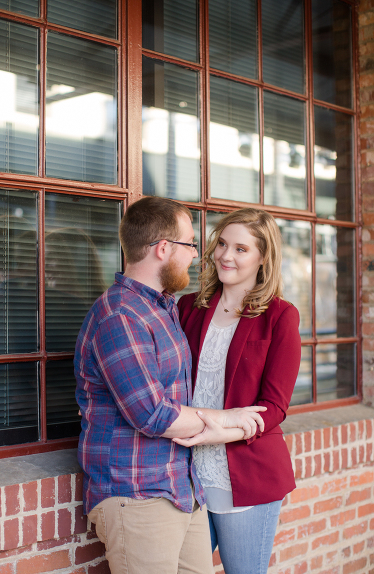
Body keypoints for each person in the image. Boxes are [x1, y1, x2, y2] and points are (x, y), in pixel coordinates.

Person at [74, 196, 267, 574]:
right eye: (191, 244)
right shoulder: (121, 316)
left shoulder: (164, 307)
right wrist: (229, 421)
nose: (197, 255)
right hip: (137, 495)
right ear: (164, 248)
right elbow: (153, 415)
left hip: (182, 490)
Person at [175, 208, 301, 574]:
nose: (226, 256)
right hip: (188, 474)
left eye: (241, 249)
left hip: (246, 474)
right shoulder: (188, 306)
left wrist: (220, 430)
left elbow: (274, 406)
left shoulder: (280, 315)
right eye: (223, 244)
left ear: (264, 258)